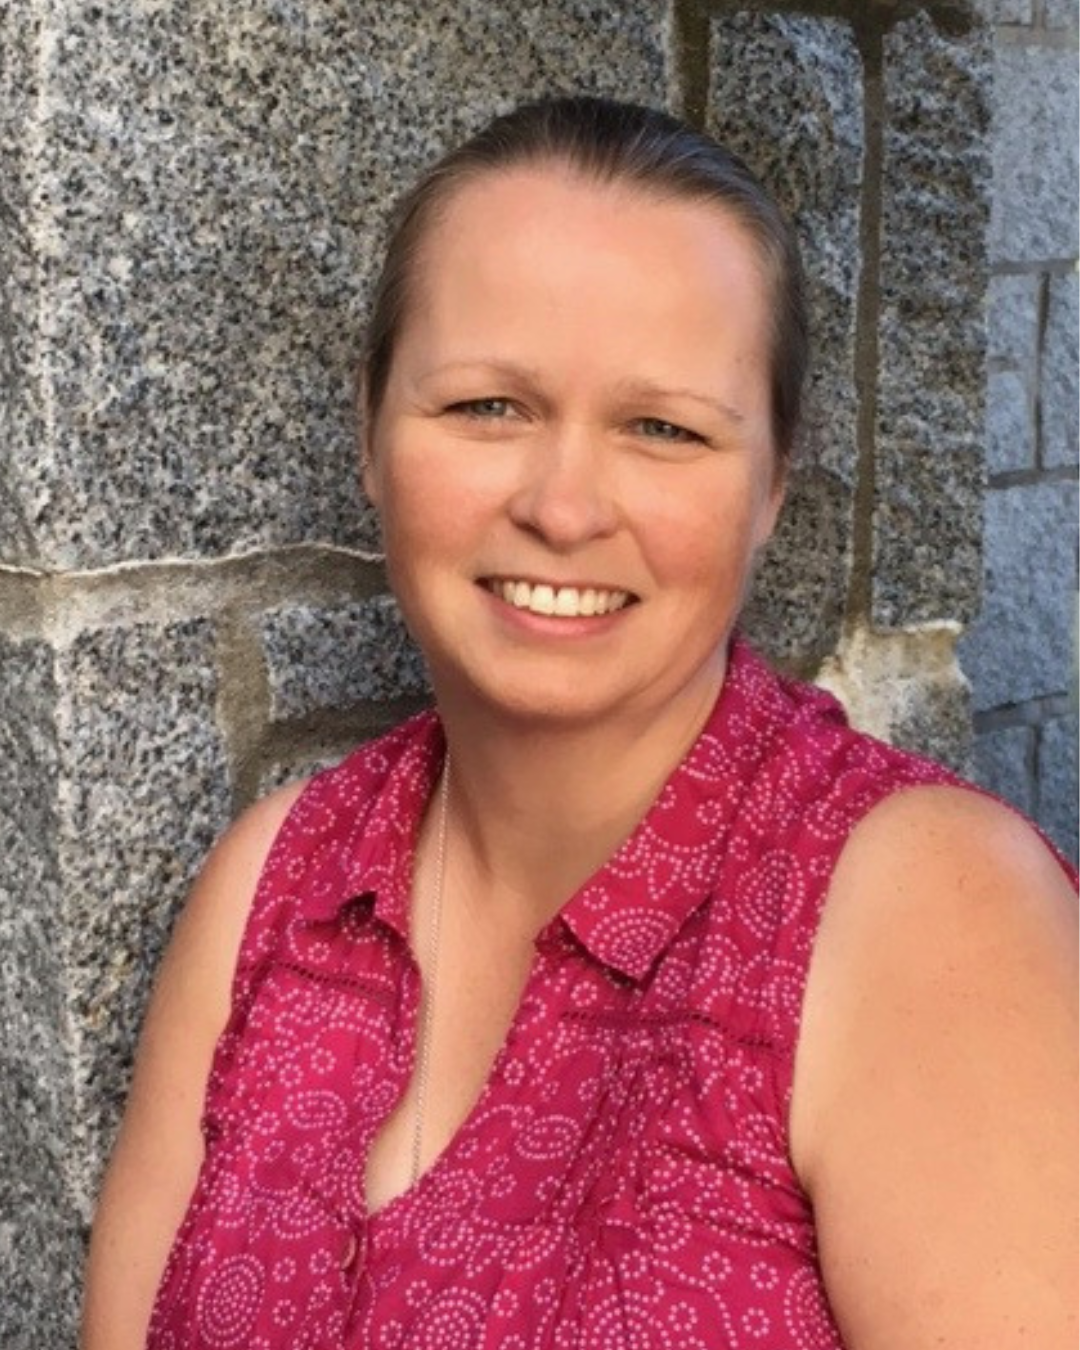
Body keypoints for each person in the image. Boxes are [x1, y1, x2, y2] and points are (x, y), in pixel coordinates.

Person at [81, 96, 1077, 1350]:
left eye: (662, 428)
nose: (563, 507)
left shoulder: (928, 917)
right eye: (488, 407)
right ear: (370, 434)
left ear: (772, 483)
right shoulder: (273, 892)